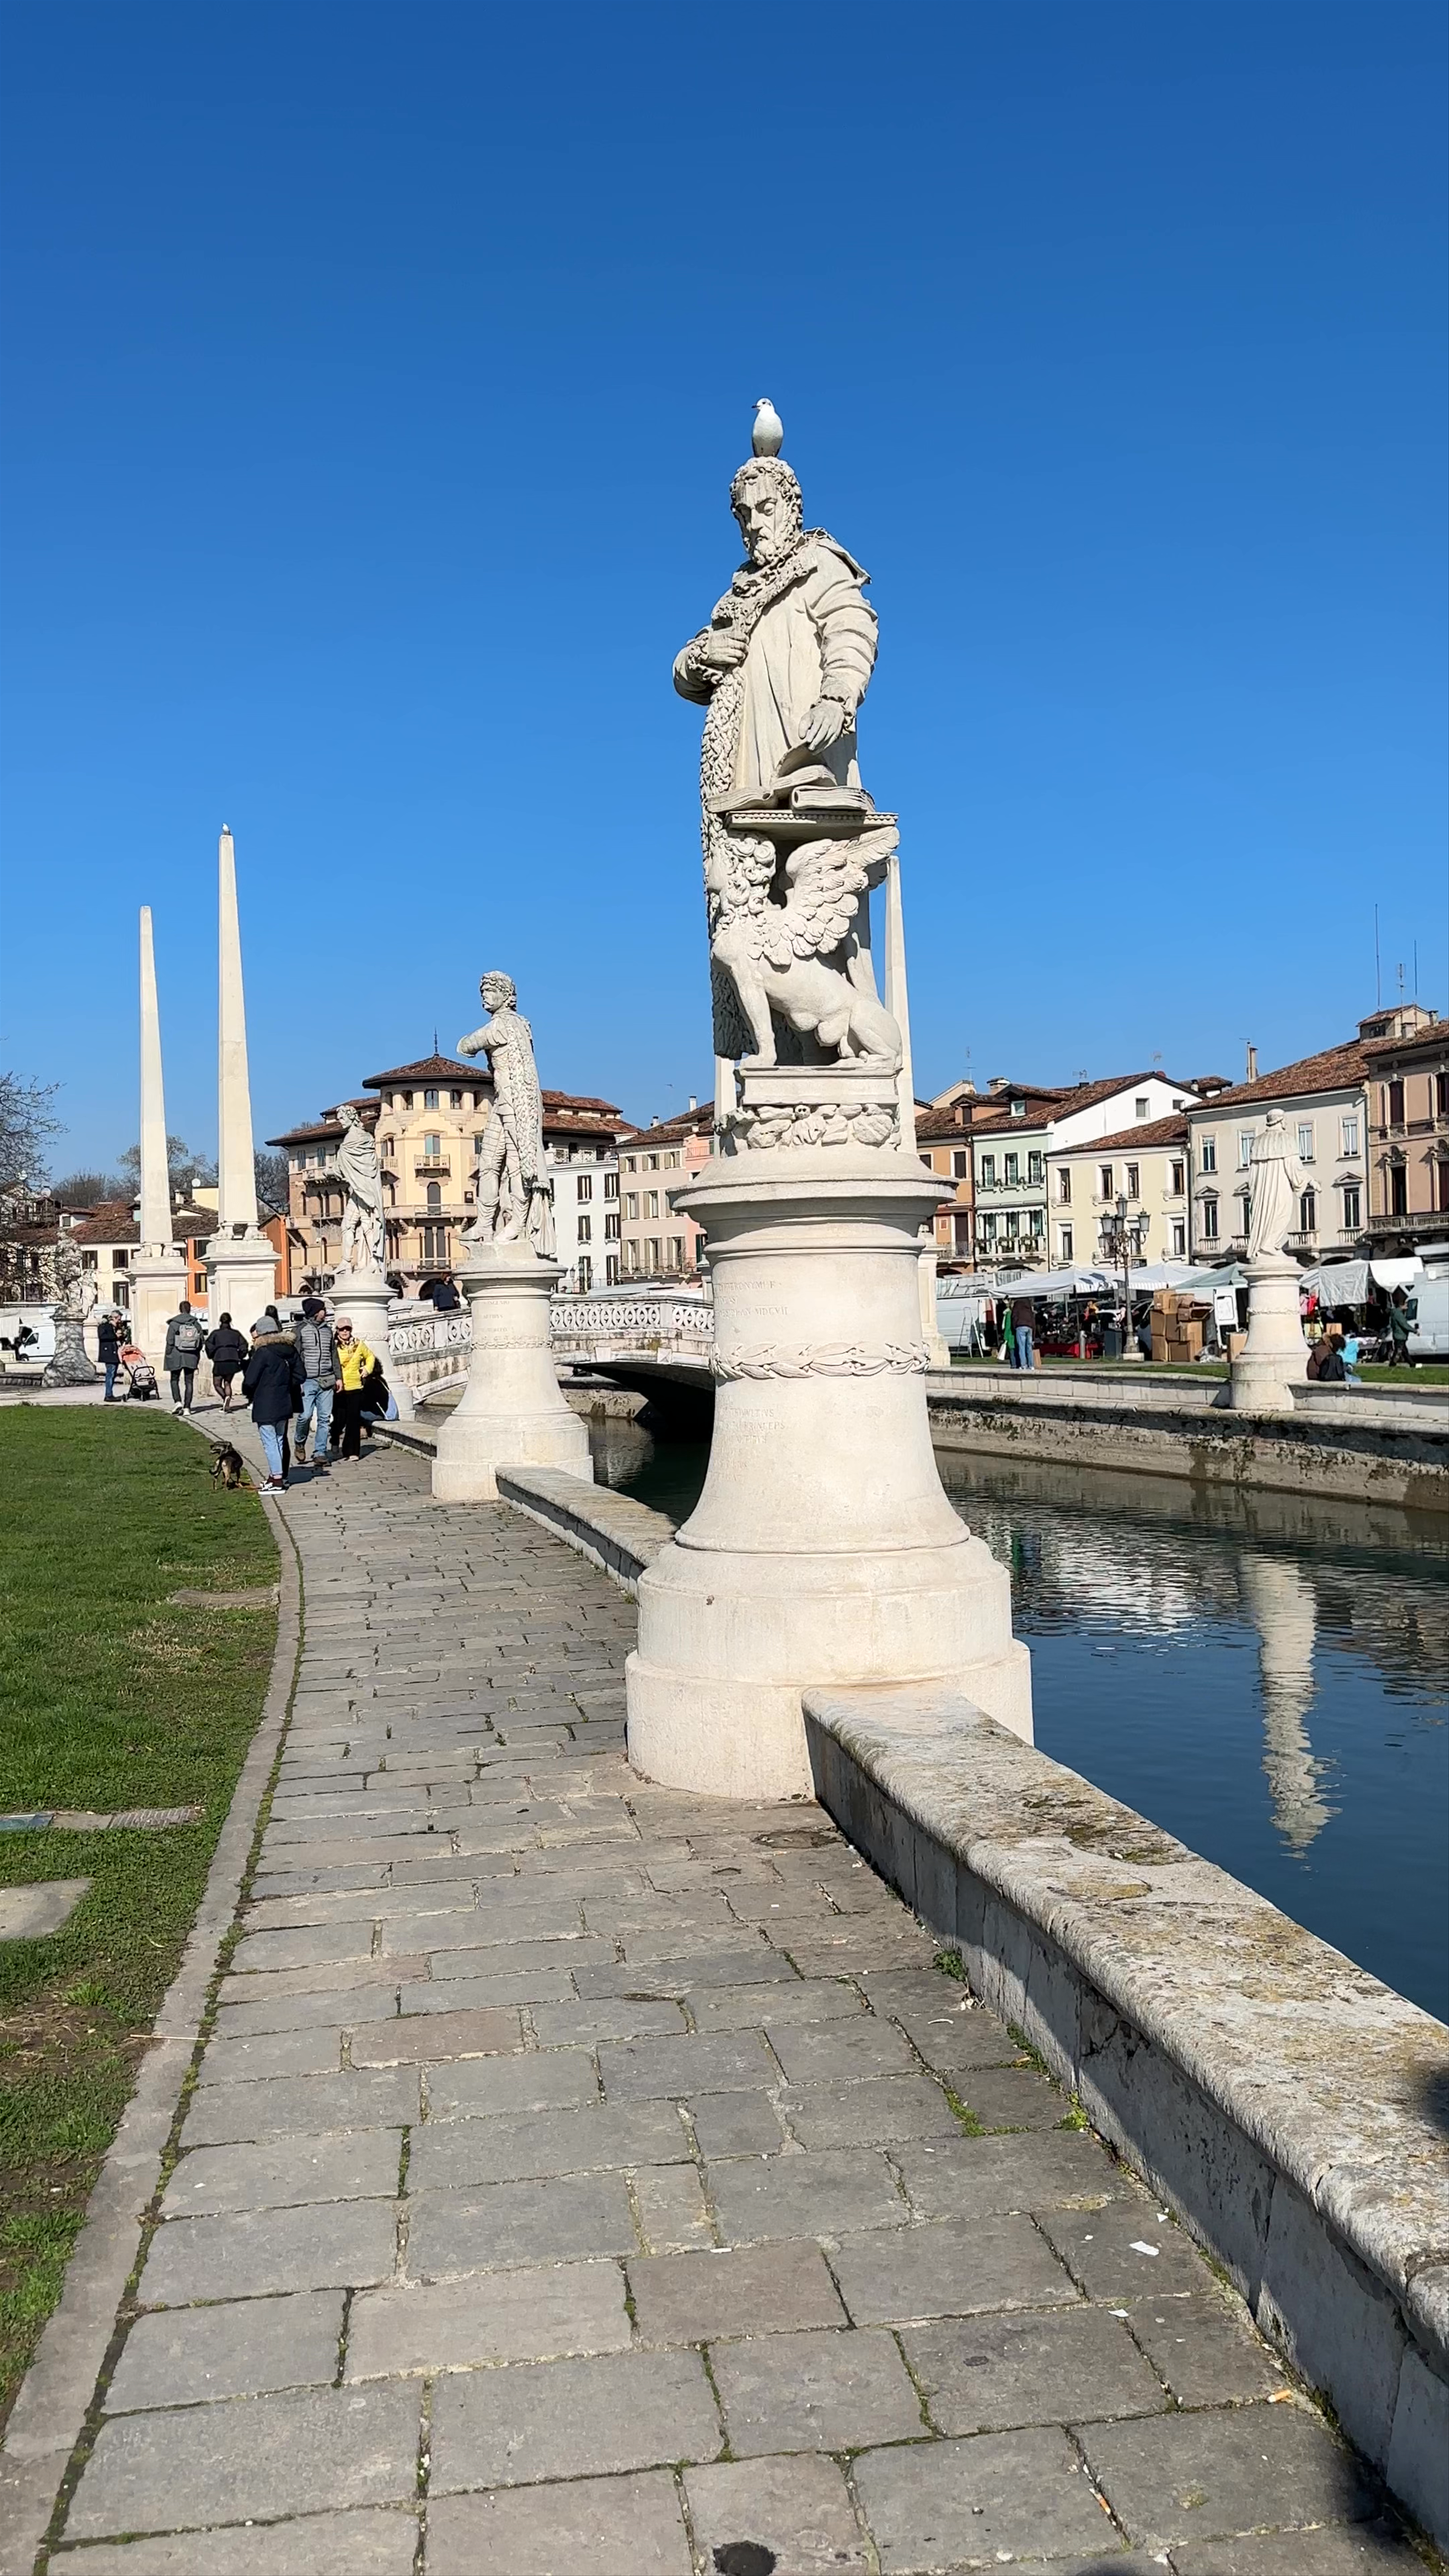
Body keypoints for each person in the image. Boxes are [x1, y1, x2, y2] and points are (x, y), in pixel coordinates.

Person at [240, 1313, 304, 1490]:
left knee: (270, 1442)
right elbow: (301, 1375)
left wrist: (249, 1392)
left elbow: (250, 1380)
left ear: (261, 1334)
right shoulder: (290, 1350)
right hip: (285, 1401)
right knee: (279, 1440)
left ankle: (277, 1481)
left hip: (266, 1403)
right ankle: (278, 1476)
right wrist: (285, 1384)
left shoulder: (263, 1353)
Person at [292, 1297, 337, 1471]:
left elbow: (334, 1355)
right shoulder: (300, 1331)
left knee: (325, 1419)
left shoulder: (328, 1331)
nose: (325, 1312)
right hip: (307, 1381)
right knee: (305, 1415)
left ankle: (320, 1452)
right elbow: (295, 1357)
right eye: (323, 1309)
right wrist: (297, 1381)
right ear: (314, 1311)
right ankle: (300, 1442)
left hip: (327, 1379)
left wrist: (338, 1377)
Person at [331, 1317, 377, 1459]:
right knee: (340, 1419)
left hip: (355, 1386)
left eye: (348, 1329)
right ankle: (334, 1439)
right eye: (342, 1329)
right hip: (338, 1387)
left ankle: (352, 1451)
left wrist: (367, 1369)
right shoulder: (333, 1345)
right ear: (337, 1330)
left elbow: (371, 1357)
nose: (345, 1332)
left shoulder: (359, 1344)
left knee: (353, 1419)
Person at [163, 1301, 206, 1413]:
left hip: (176, 1355)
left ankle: (178, 1402)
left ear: (180, 1309)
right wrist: (196, 1353)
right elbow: (201, 1341)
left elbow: (170, 1341)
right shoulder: (196, 1324)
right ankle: (187, 1408)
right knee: (189, 1382)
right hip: (191, 1356)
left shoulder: (174, 1324)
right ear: (190, 1309)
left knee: (174, 1380)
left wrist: (168, 1354)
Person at [204, 1312, 249, 1412]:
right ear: (230, 1322)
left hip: (220, 1359)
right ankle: (227, 1402)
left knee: (217, 1384)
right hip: (232, 1360)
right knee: (228, 1383)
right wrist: (239, 1356)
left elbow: (208, 1345)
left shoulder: (216, 1334)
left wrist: (212, 1355)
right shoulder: (236, 1334)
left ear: (221, 1322)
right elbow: (244, 1346)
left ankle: (225, 1398)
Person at [96, 1309, 123, 1401]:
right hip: (109, 1354)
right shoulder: (105, 1327)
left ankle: (110, 1393)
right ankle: (109, 1395)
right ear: (114, 1318)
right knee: (110, 1374)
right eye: (119, 1319)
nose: (120, 1322)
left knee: (113, 1374)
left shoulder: (116, 1327)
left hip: (114, 1353)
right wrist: (116, 1336)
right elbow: (103, 1337)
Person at [1386, 1288, 1415, 1368]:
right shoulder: (1399, 1314)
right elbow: (1404, 1325)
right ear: (1401, 1305)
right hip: (1400, 1335)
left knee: (1404, 1351)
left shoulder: (1395, 1313)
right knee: (1399, 1351)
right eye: (1406, 1305)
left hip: (1398, 1334)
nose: (1407, 1306)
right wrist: (1415, 1331)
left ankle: (1412, 1364)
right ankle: (1393, 1364)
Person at [1011, 1292, 1035, 1372]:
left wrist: (1015, 1327)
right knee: (1029, 1347)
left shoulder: (1017, 1305)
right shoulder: (1029, 1307)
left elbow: (1014, 1317)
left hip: (1020, 1326)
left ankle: (1023, 1365)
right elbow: (1033, 1319)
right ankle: (1031, 1365)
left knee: (1022, 1347)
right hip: (1030, 1327)